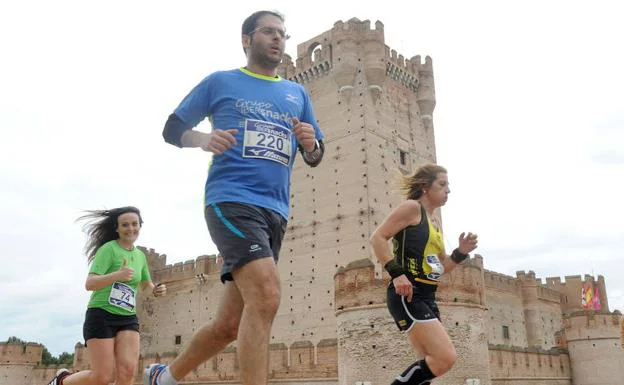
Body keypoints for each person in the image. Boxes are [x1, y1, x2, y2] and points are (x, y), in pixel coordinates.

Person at [144, 9, 325, 385]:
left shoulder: (297, 94)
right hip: (231, 201)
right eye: (269, 32)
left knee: (228, 325)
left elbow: (315, 153)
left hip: (276, 212)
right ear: (247, 40)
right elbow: (172, 127)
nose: (278, 39)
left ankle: (163, 377)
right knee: (267, 295)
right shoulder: (220, 82)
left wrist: (310, 144)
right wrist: (202, 139)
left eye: (282, 34)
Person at [369, 164, 478, 385]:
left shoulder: (434, 222)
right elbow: (378, 238)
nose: (448, 191)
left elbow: (441, 267)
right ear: (425, 187)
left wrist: (460, 253)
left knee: (426, 369)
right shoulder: (412, 208)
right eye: (443, 184)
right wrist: (397, 274)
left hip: (428, 296)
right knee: (444, 357)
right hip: (409, 293)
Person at [46, 206, 167, 385]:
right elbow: (90, 283)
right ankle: (62, 380)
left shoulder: (140, 256)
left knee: (127, 372)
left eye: (135, 224)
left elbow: (144, 285)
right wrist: (117, 275)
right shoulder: (108, 249)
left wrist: (155, 289)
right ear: (117, 228)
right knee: (102, 377)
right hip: (101, 314)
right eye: (125, 225)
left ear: (140, 226)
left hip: (127, 317)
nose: (130, 228)